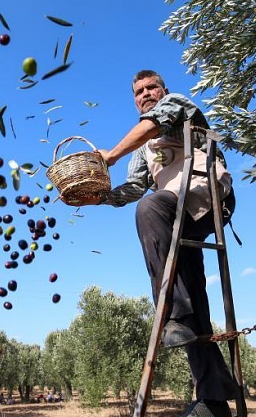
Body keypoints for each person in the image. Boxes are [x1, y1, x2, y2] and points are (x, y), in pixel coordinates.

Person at [61, 70, 237, 417]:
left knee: (151, 207)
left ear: (163, 89)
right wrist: (101, 198)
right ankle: (213, 398)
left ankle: (173, 314)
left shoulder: (177, 104)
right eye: (139, 92)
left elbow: (154, 124)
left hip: (207, 198)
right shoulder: (143, 147)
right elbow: (134, 187)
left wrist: (109, 156)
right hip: (174, 213)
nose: (146, 94)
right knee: (191, 295)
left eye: (150, 87)